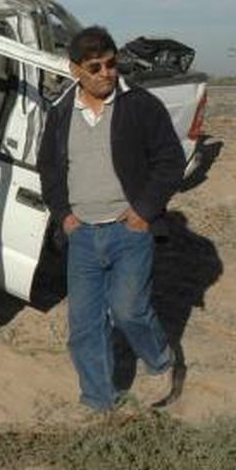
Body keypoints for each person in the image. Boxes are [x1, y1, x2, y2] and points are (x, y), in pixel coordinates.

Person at [37, 26, 187, 411]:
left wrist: (143, 211)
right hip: (82, 236)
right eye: (95, 66)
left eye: (111, 63)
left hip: (130, 231)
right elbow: (49, 169)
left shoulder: (140, 106)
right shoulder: (59, 114)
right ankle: (98, 403)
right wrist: (65, 217)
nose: (107, 73)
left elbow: (170, 162)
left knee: (129, 310)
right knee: (84, 327)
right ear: (75, 70)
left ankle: (160, 362)